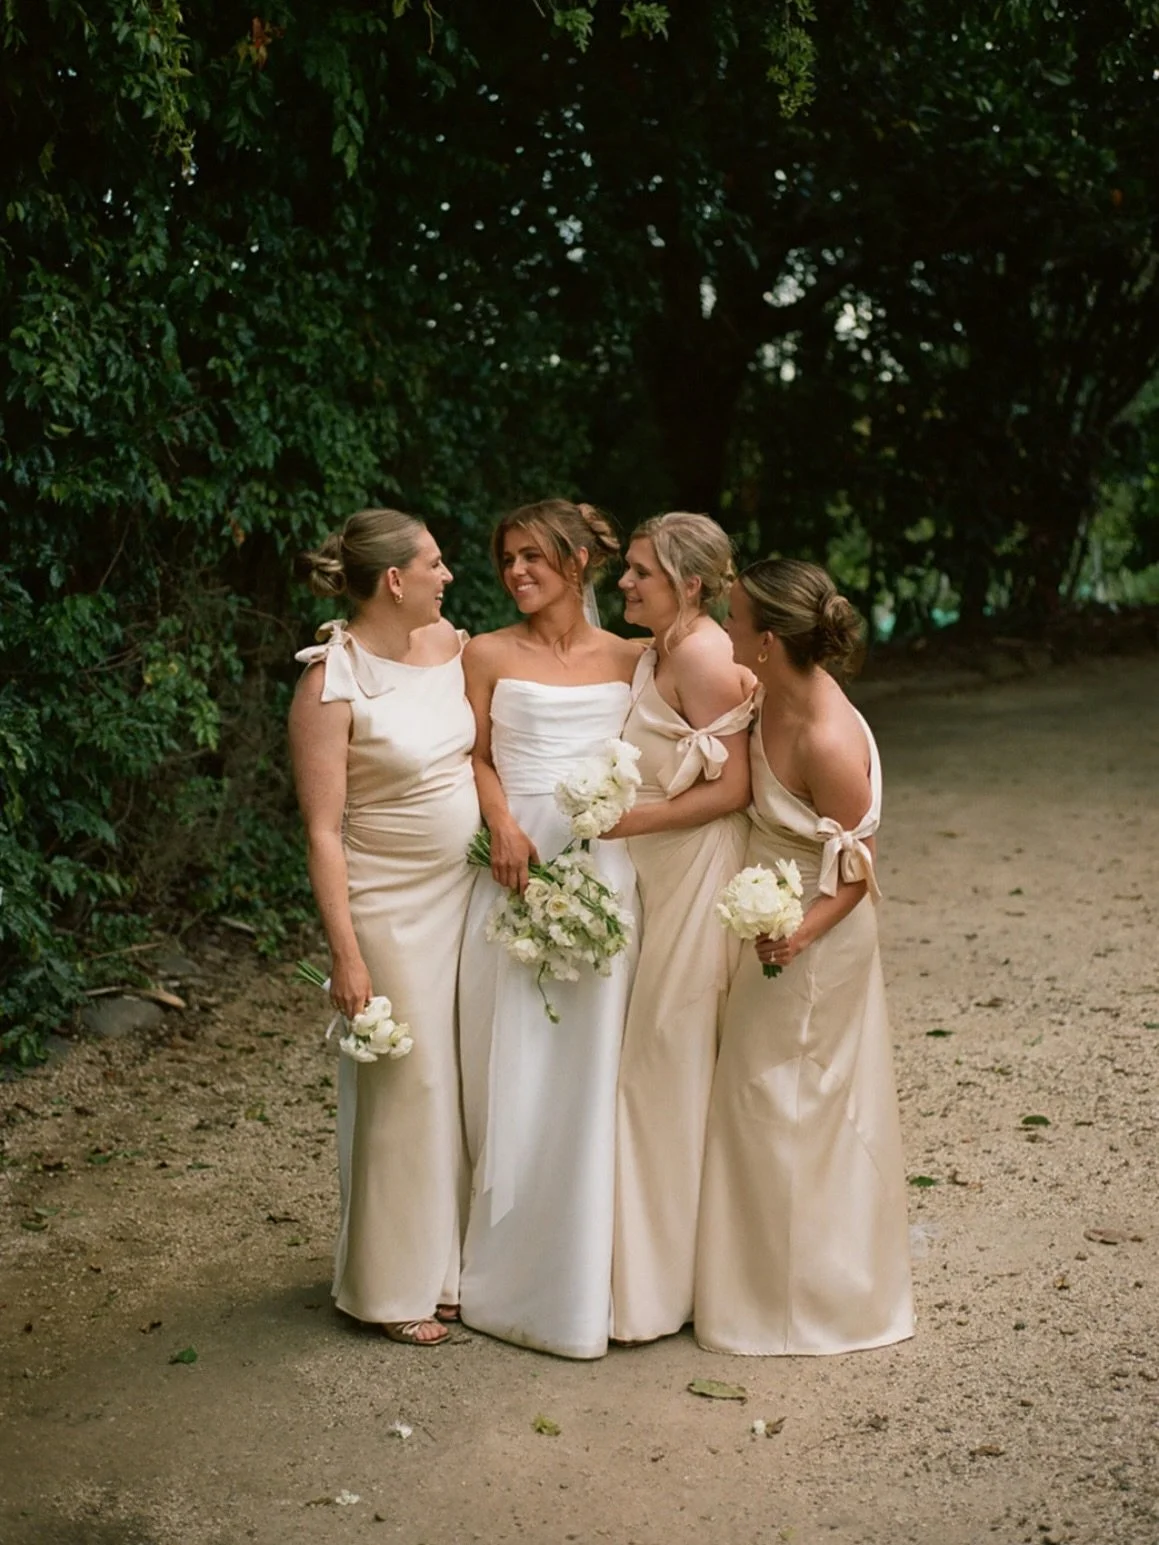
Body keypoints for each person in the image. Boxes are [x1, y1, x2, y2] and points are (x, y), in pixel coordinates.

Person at [695, 557, 914, 1356]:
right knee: (757, 1102)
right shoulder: (765, 697)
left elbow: (858, 869)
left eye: (735, 618)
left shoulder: (824, 736)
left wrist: (797, 933)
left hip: (816, 935)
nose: (724, 628)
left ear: (766, 641)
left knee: (797, 1107)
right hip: (775, 922)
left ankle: (813, 1302)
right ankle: (755, 1288)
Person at [288, 508, 479, 1347]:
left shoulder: (453, 647)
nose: (448, 575)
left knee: (465, 1079)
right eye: (435, 564)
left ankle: (447, 1269)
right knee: (411, 1083)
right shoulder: (330, 682)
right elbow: (323, 830)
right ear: (394, 580)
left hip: (470, 893)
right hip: (390, 905)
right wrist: (345, 953)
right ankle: (386, 1284)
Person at [458, 498, 643, 1360]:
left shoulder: (633, 657)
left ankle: (585, 1279)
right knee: (513, 1060)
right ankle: (499, 1268)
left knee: (589, 1069)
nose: (516, 572)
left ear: (578, 562)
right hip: (515, 864)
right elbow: (475, 752)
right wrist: (499, 822)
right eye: (507, 559)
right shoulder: (485, 652)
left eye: (534, 556)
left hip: (603, 867)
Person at [606, 512, 755, 1344]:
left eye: (640, 572)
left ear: (689, 584)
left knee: (666, 1070)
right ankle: (665, 1268)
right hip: (657, 878)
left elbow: (731, 787)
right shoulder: (657, 649)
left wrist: (624, 820)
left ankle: (671, 1286)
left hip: (699, 870)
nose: (623, 583)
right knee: (658, 1066)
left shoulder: (701, 653)